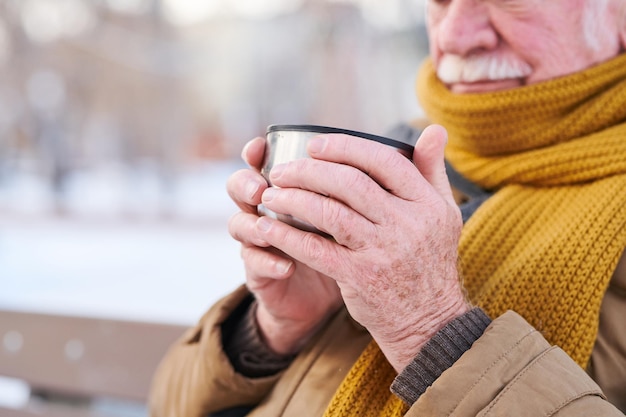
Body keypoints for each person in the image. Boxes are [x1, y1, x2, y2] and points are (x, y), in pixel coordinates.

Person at [149, 0, 626, 415]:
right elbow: (167, 404)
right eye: (440, 0)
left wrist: (431, 331)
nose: (454, 35)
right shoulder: (398, 159)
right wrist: (272, 331)